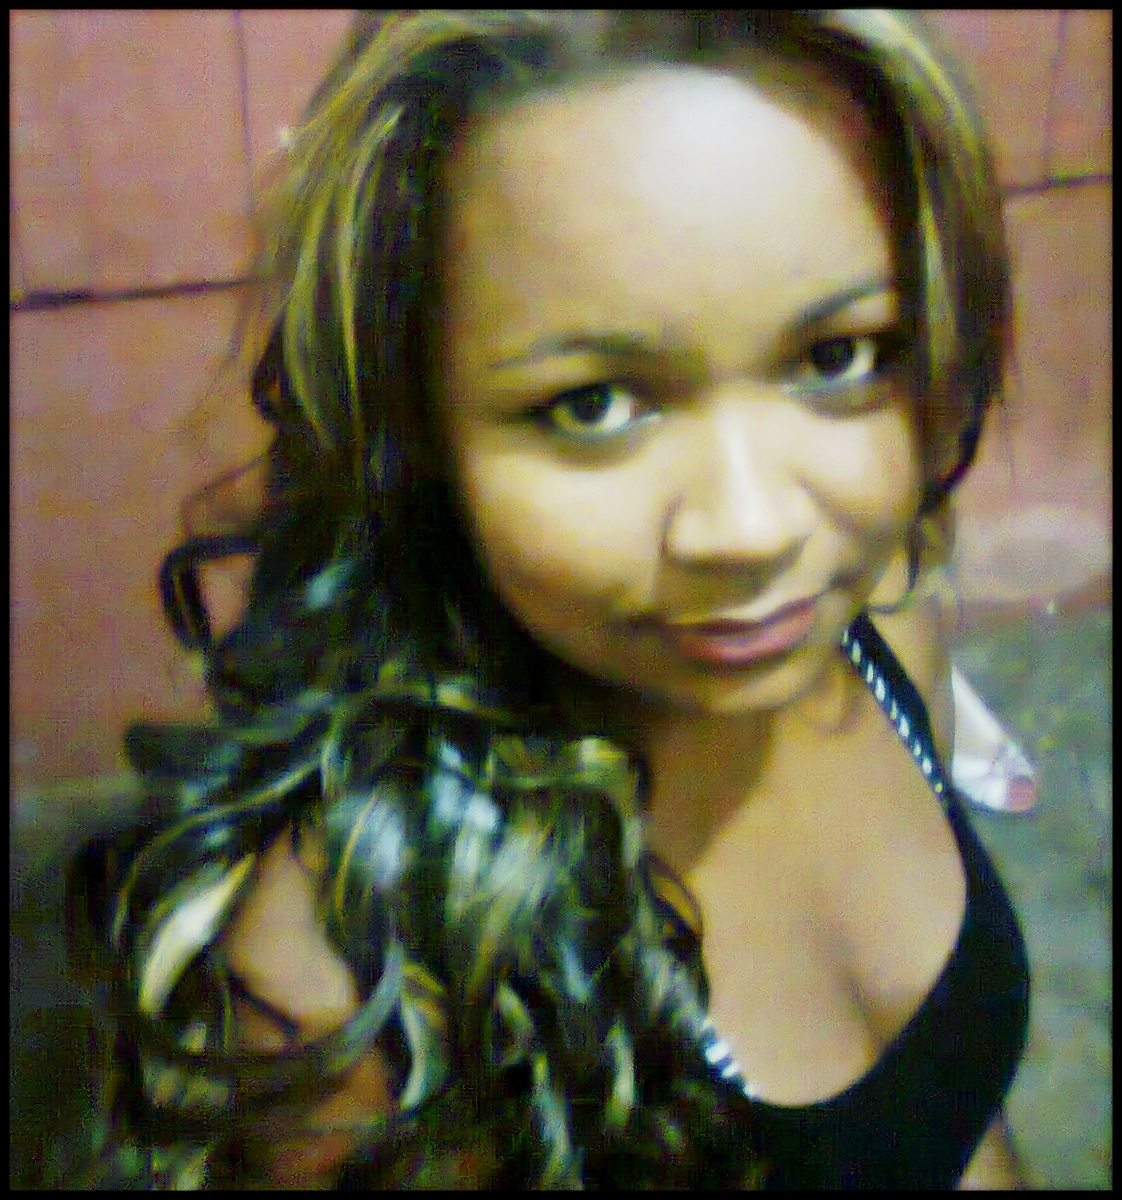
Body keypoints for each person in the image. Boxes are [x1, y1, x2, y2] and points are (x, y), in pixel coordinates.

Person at [63, 10, 1031, 1189]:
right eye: (593, 404)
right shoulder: (357, 981)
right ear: (415, 427)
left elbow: (949, 1115)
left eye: (837, 357)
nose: (753, 529)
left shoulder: (884, 631)